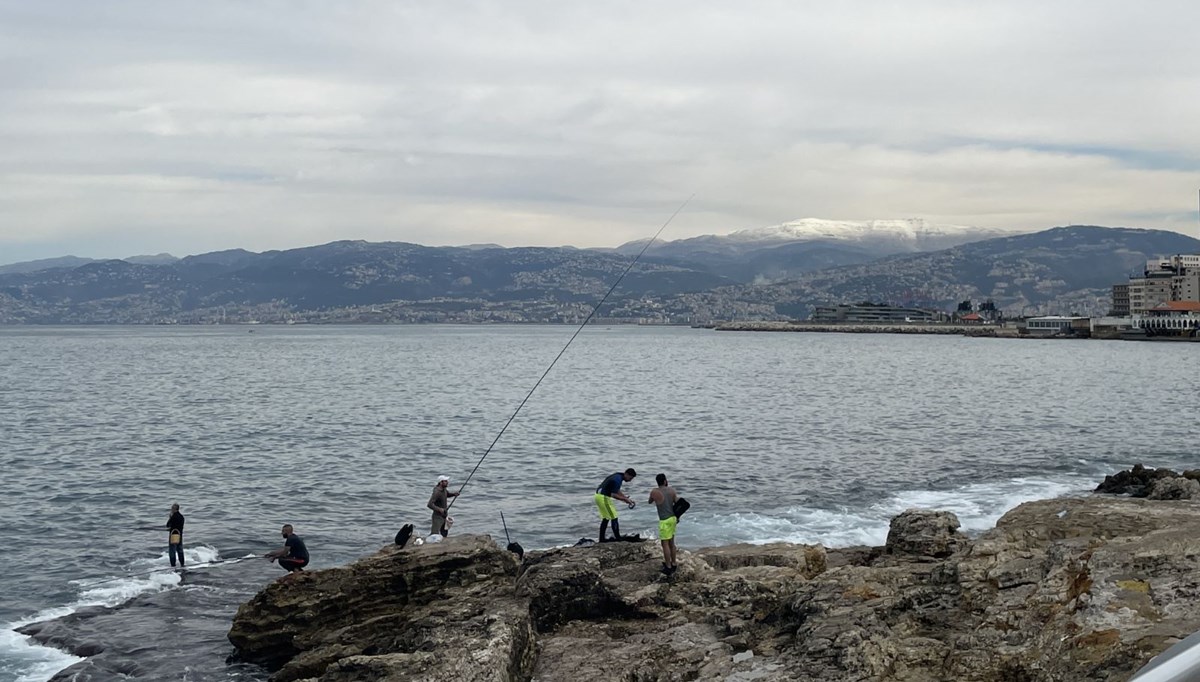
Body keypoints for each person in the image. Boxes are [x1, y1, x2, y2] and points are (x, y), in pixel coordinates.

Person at [594, 468, 637, 542]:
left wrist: (625, 498)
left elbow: (616, 490)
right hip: (603, 497)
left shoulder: (618, 476)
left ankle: (601, 539)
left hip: (598, 496)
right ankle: (618, 538)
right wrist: (625, 499)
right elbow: (613, 494)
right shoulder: (617, 480)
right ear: (626, 474)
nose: (630, 480)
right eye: (630, 478)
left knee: (606, 518)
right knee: (614, 516)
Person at [649, 473, 679, 574]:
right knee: (672, 543)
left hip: (664, 520)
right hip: (673, 518)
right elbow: (678, 502)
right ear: (665, 481)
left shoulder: (654, 492)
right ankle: (674, 563)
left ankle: (668, 566)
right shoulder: (672, 490)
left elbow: (649, 501)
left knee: (664, 544)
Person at [166, 503, 185, 568]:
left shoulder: (173, 516)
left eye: (172, 508)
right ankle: (182, 564)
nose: (171, 510)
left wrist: (170, 517)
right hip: (180, 535)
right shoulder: (181, 517)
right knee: (180, 550)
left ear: (174, 509)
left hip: (173, 535)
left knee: (172, 550)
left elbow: (168, 525)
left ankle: (173, 565)